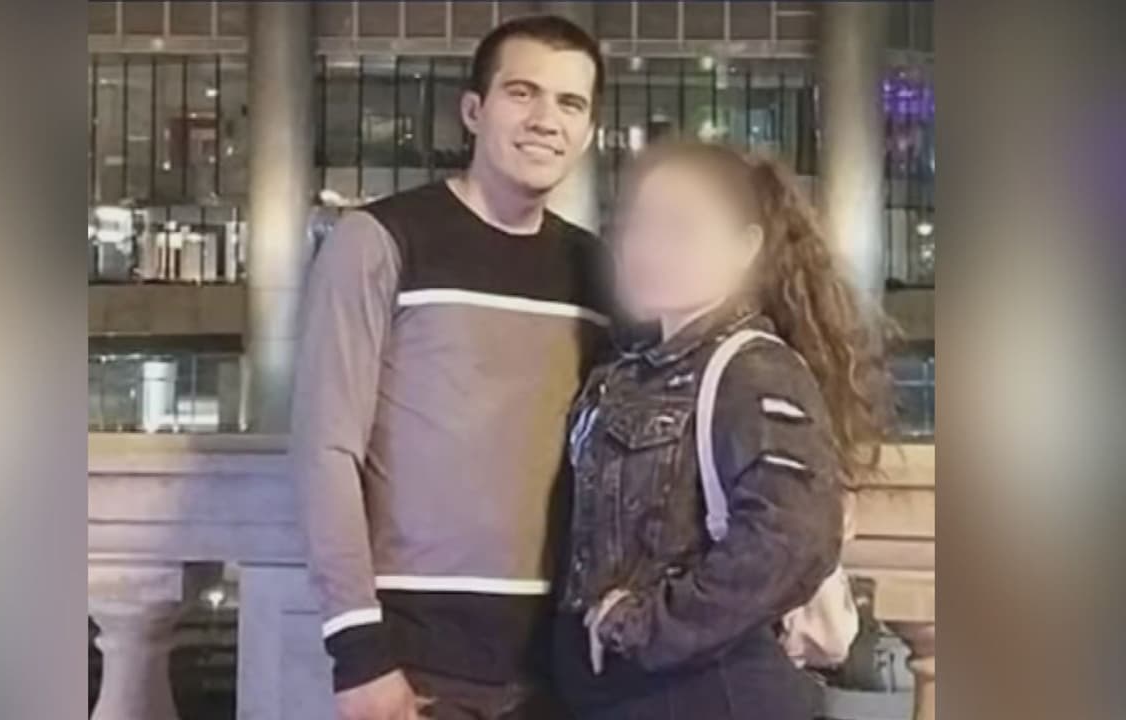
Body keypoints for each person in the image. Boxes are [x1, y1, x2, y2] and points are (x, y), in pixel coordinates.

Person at [290, 15, 610, 720]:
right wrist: (358, 649)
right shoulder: (378, 240)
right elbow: (326, 451)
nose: (545, 120)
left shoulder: (597, 270)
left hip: (564, 661)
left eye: (570, 103)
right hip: (417, 659)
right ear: (473, 110)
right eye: (522, 93)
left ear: (588, 133)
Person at [553, 141, 893, 719]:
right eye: (641, 226)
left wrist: (646, 626)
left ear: (745, 248)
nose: (653, 247)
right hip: (625, 696)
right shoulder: (625, 373)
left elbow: (791, 539)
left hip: (713, 691)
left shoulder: (752, 368)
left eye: (682, 229)